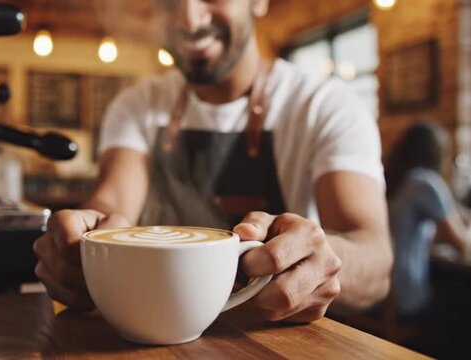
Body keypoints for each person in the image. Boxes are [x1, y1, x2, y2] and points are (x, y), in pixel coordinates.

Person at [33, 0, 392, 322]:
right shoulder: (136, 106)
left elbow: (375, 260)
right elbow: (110, 205)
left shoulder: (326, 107)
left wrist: (324, 261)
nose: (189, 17)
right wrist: (79, 249)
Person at [386, 121, 471, 318]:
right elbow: (462, 244)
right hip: (406, 294)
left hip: (384, 290)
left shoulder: (400, 179)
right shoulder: (426, 182)